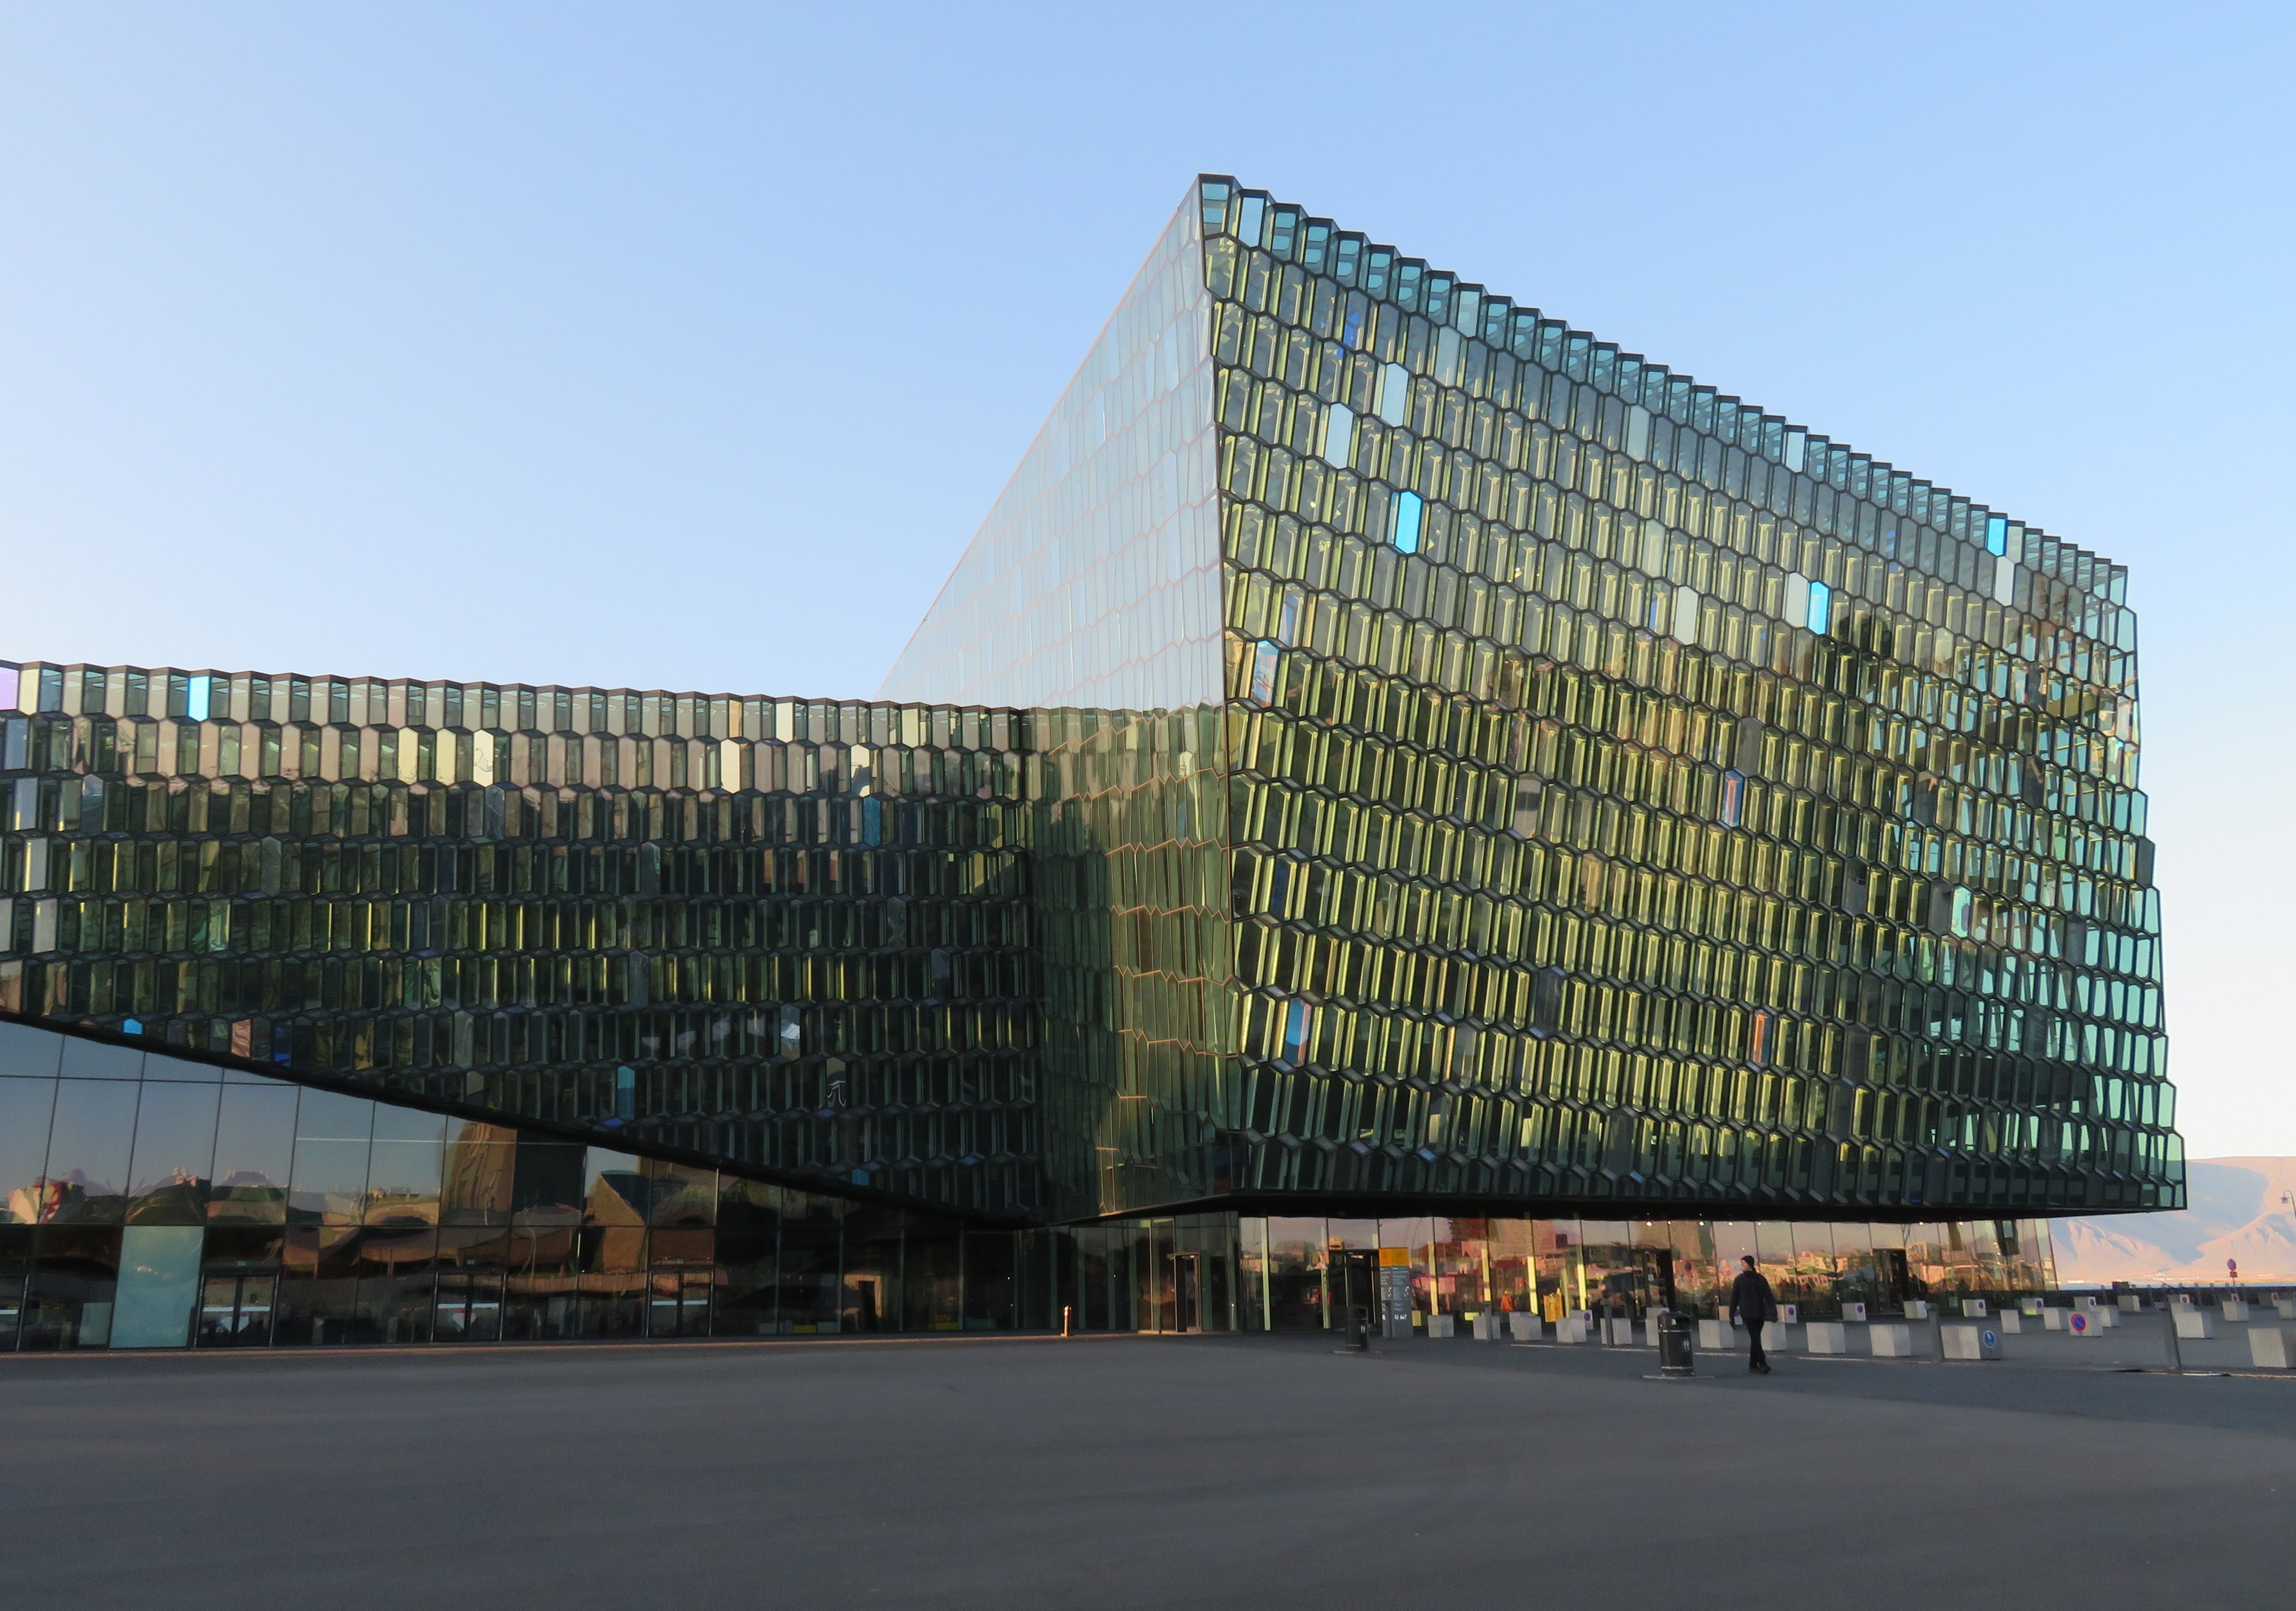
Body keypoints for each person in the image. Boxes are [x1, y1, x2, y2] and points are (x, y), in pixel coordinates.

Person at [1730, 1255, 1776, 1374]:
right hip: (1748, 1313)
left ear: (1750, 1265)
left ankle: (1752, 1365)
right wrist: (1732, 1316)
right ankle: (1763, 1363)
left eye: (1744, 1264)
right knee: (1755, 1337)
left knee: (1755, 1339)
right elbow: (1734, 1299)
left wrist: (1773, 1312)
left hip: (1760, 1313)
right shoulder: (1740, 1280)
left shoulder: (1760, 1279)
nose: (1742, 1266)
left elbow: (1768, 1296)